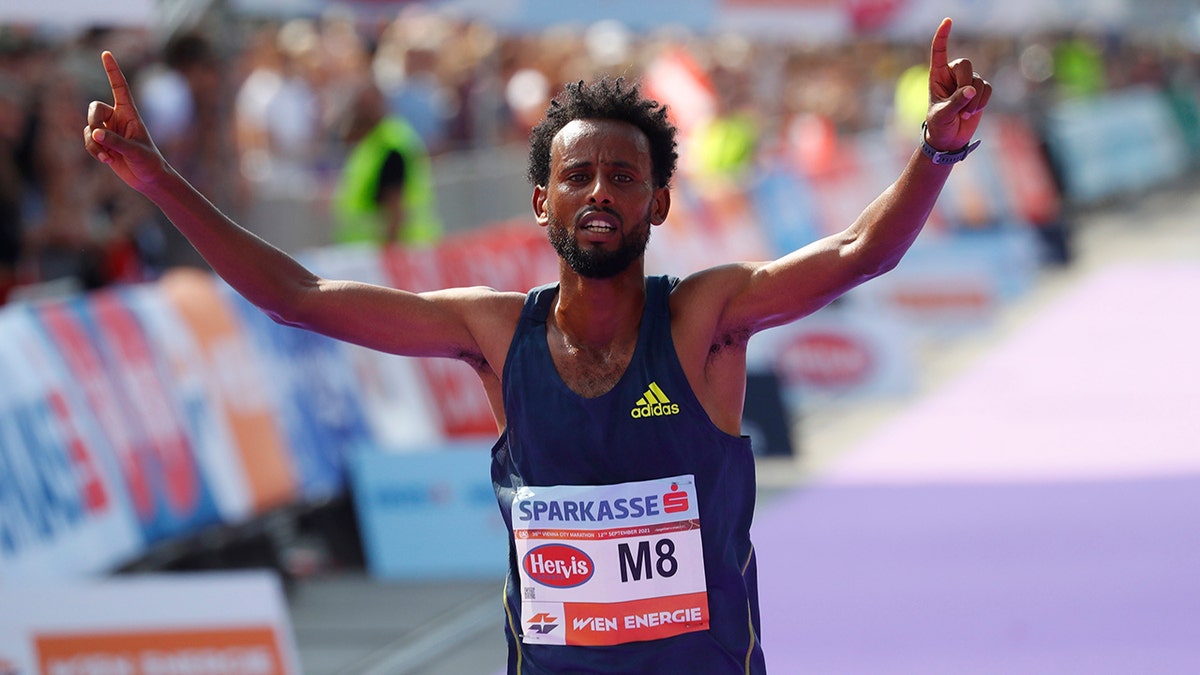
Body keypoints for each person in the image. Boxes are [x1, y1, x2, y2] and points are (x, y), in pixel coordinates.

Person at [85, 17, 989, 674]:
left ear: (659, 204)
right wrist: (158, 180)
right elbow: (297, 297)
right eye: (577, 174)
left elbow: (858, 251)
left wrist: (937, 150)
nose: (600, 191)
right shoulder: (492, 333)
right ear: (541, 202)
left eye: (625, 176)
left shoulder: (704, 320)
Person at [331, 79, 443, 246]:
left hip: (399, 251)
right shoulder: (377, 142)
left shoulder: (389, 146)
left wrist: (388, 252)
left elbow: (395, 208)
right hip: (392, 252)